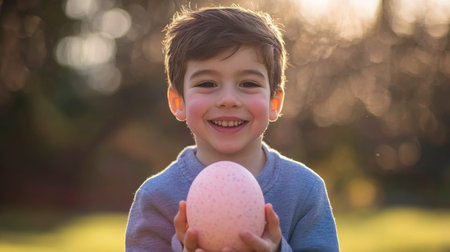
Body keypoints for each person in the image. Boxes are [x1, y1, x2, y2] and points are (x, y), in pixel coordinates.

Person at [125, 6, 339, 252]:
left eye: (248, 83)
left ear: (274, 103)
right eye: (207, 83)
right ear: (178, 102)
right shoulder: (156, 199)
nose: (229, 99)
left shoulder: (305, 190)